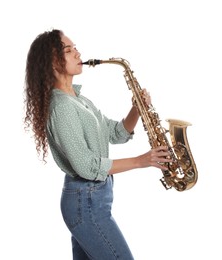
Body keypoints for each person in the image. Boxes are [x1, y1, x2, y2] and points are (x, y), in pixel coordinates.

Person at [24, 29, 172, 260]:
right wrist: (142, 161)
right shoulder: (62, 108)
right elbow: (86, 166)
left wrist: (137, 108)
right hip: (86, 202)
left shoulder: (79, 100)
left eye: (76, 47)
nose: (78, 53)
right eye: (68, 50)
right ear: (52, 61)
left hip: (93, 200)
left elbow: (116, 133)